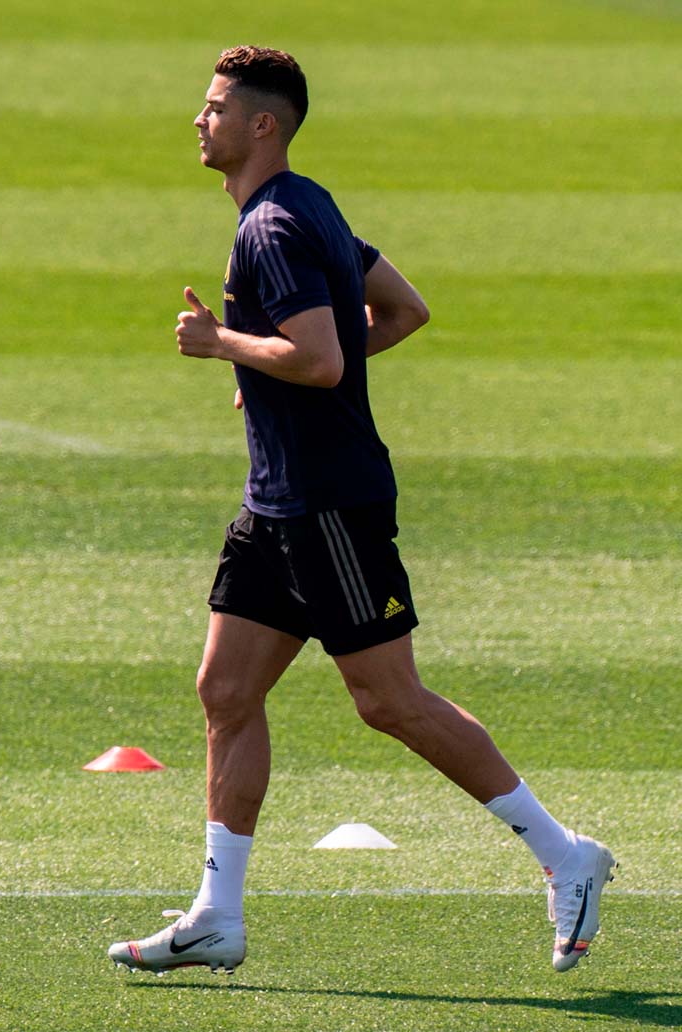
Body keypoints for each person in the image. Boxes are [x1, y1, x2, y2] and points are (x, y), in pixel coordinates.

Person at [109, 45, 615, 978]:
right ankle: (217, 915)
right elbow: (402, 310)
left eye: (217, 108)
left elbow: (323, 358)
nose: (200, 120)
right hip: (276, 504)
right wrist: (272, 370)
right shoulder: (309, 205)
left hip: (329, 505)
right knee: (226, 692)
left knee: (389, 700)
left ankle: (565, 854)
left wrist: (226, 346)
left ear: (264, 124)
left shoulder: (271, 227)